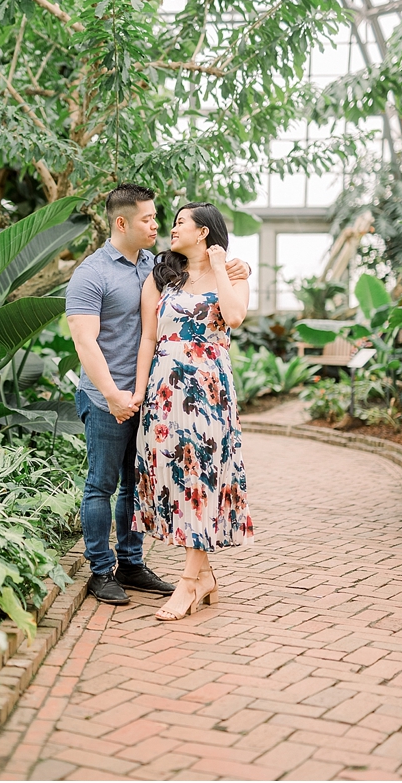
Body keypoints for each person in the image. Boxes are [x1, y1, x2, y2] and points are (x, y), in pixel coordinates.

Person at [66, 184, 249, 606]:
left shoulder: (156, 265)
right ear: (121, 222)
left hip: (153, 396)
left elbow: (218, 294)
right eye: (149, 219)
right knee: (101, 484)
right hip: (107, 396)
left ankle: (131, 564)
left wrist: (234, 268)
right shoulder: (91, 273)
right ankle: (99, 571)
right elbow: (84, 342)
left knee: (134, 485)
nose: (157, 225)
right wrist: (114, 394)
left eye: (161, 219)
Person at [132, 202, 253, 621]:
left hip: (209, 390)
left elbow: (234, 316)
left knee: (200, 476)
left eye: (180, 222)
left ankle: (187, 583)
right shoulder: (162, 276)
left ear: (203, 232)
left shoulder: (232, 275)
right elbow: (149, 337)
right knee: (178, 478)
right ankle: (203, 578)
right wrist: (139, 391)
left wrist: (221, 267)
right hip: (165, 389)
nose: (172, 228)